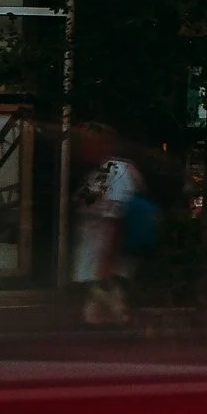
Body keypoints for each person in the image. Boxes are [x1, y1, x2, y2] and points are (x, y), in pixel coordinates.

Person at [72, 127, 144, 326]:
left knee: (104, 299)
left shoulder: (113, 170)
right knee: (98, 303)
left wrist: (107, 260)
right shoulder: (105, 170)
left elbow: (116, 217)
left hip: (102, 253)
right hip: (98, 253)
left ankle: (121, 319)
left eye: (87, 142)